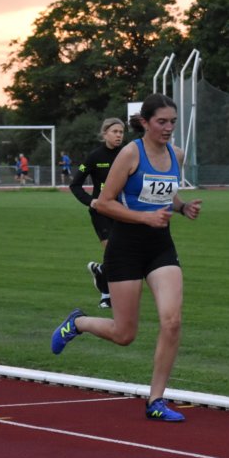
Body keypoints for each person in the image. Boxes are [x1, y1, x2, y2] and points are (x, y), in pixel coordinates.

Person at [51, 94, 202, 422]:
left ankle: (156, 400)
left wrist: (182, 207)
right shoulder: (130, 153)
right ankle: (78, 323)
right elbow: (104, 202)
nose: (168, 128)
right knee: (124, 334)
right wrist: (145, 217)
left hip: (160, 247)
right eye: (162, 121)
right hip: (125, 248)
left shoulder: (177, 154)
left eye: (173, 122)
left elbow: (167, 193)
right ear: (145, 122)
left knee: (172, 321)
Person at [68, 118, 125, 308]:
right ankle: (106, 294)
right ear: (104, 133)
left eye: (121, 132)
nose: (119, 135)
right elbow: (75, 184)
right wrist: (90, 201)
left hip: (123, 211)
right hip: (101, 212)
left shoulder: (127, 154)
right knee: (113, 251)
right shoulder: (94, 157)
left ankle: (101, 271)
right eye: (115, 131)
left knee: (122, 253)